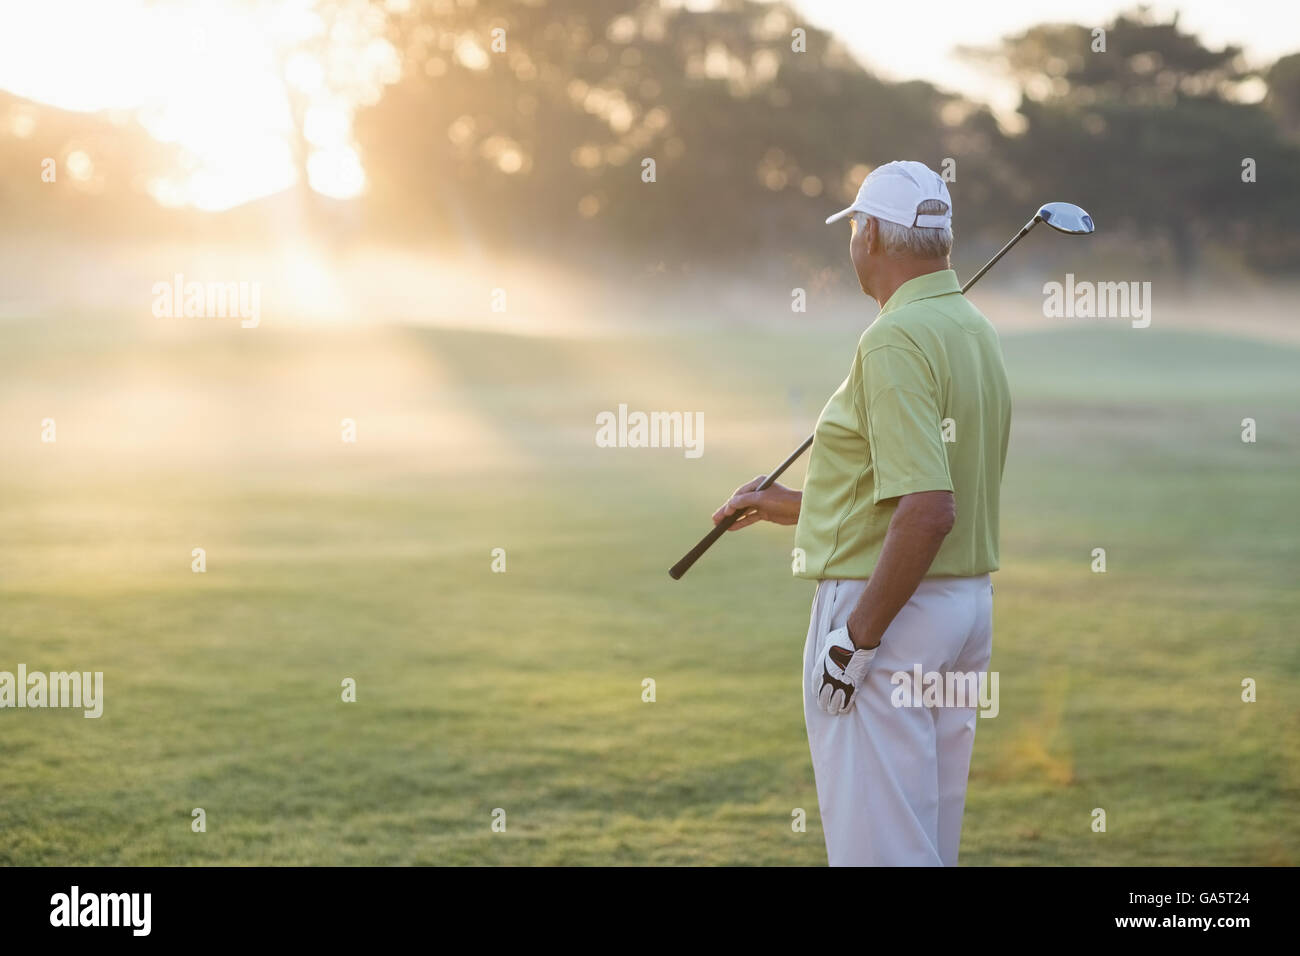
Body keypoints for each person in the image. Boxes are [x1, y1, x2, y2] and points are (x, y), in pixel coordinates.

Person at [712, 161, 1011, 866]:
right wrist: (787, 504)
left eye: (853, 227)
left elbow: (929, 508)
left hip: (892, 613)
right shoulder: (974, 327)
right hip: (960, 609)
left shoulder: (893, 338)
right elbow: (903, 490)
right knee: (923, 838)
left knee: (882, 849)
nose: (852, 241)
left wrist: (854, 642)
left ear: (870, 234)